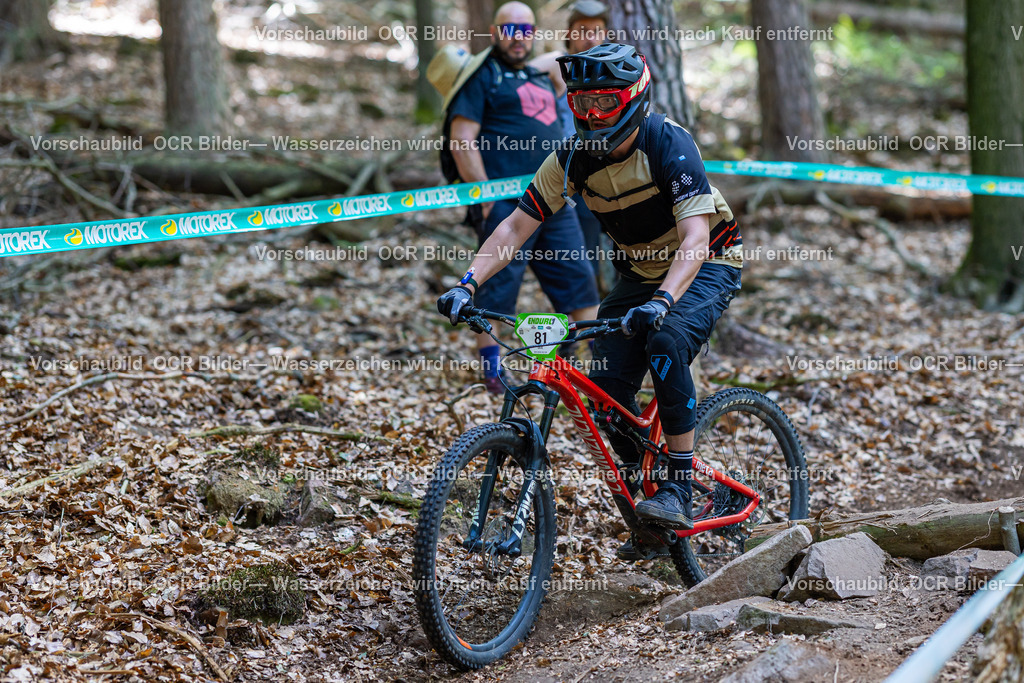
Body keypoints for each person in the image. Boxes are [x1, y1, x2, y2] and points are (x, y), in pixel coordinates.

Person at [437, 43, 743, 561]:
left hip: (707, 262)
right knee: (604, 401)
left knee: (664, 339)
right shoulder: (572, 158)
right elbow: (514, 225)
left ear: (634, 99)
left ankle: (679, 489)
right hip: (640, 275)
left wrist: (664, 300)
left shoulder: (668, 142)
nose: (591, 116)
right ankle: (651, 520)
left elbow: (695, 239)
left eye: (603, 103)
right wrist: (467, 283)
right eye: (581, 105)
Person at [445, 1, 600, 394]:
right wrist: (482, 195)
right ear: (495, 33)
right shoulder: (482, 76)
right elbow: (462, 139)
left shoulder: (538, 72)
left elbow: (564, 58)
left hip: (555, 201)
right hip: (506, 205)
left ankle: (598, 370)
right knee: (496, 291)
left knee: (580, 285)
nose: (519, 37)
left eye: (527, 29)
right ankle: (495, 377)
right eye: (510, 29)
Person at [529, 0, 616, 294]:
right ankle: (586, 326)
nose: (591, 37)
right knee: (583, 254)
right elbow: (526, 70)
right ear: (570, 33)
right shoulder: (561, 69)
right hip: (576, 177)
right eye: (582, 30)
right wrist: (556, 56)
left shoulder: (615, 70)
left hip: (617, 175)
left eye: (597, 30)